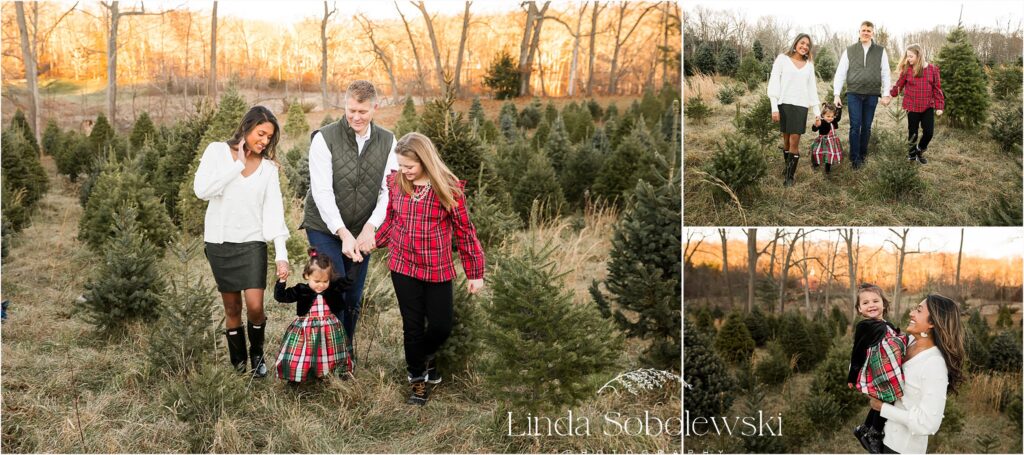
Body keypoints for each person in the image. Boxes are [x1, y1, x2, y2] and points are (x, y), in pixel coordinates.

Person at [374, 132, 485, 406]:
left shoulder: (447, 188)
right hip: (402, 264)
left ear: (424, 160)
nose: (405, 171)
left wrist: (475, 272)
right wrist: (370, 243)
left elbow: (464, 231)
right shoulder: (397, 183)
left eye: (409, 167)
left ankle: (425, 359)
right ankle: (417, 380)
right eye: (401, 166)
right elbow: (390, 221)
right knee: (412, 327)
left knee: (440, 326)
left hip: (437, 267)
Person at [301, 80, 398, 370]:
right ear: (344, 105)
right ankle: (328, 356)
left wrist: (370, 229)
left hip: (363, 228)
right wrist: (342, 233)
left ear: (375, 108)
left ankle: (346, 351)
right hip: (325, 226)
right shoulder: (324, 139)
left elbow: (388, 190)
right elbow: (322, 192)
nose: (356, 117)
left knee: (353, 294)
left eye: (363, 111)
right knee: (334, 287)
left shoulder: (388, 141)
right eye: (351, 110)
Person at [194, 105, 290, 378]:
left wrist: (281, 253)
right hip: (220, 242)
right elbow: (202, 191)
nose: (264, 141)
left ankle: (257, 354)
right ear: (247, 127)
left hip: (252, 243)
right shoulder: (216, 151)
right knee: (232, 307)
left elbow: (274, 212)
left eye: (269, 137)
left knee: (256, 306)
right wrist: (236, 165)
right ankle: (239, 363)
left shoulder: (269, 169)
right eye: (261, 133)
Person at [870, 294, 965, 454]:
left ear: (933, 322)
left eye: (919, 311)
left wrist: (882, 408)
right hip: (884, 437)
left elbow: (928, 423)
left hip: (902, 449)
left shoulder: (933, 363)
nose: (911, 313)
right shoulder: (911, 342)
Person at [272, 248, 352, 383]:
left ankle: (329, 374)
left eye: (325, 281)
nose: (321, 285)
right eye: (317, 281)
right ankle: (297, 377)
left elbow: (349, 281)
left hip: (329, 329)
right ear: (306, 276)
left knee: (329, 351)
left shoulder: (332, 288)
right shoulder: (301, 290)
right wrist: (281, 282)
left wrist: (356, 263)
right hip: (306, 330)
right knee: (303, 353)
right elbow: (281, 297)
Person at [848, 284, 907, 454]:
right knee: (887, 399)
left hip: (888, 369)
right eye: (865, 303)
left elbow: (894, 333)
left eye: (875, 300)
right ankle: (874, 433)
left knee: (885, 399)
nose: (871, 305)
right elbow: (857, 351)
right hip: (876, 369)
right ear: (859, 309)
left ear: (884, 304)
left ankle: (865, 428)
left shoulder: (886, 324)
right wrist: (852, 376)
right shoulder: (864, 326)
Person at [833, 21, 893, 169]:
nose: (866, 33)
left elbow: (885, 72)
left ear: (872, 33)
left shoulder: (880, 51)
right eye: (863, 30)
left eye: (869, 31)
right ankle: (855, 158)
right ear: (859, 32)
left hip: (872, 94)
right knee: (855, 126)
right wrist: (836, 94)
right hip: (854, 93)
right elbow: (840, 73)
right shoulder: (850, 50)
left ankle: (863, 154)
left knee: (866, 127)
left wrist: (886, 94)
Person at [768, 33, 822, 187]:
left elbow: (812, 89)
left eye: (808, 45)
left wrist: (817, 113)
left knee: (794, 140)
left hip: (801, 106)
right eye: (802, 43)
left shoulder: (809, 65)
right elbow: (774, 83)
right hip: (784, 104)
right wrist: (774, 107)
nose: (805, 47)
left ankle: (790, 178)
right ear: (796, 42)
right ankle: (787, 167)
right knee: (785, 140)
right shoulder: (782, 59)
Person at [889, 44, 945, 164]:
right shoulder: (907, 70)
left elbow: (937, 89)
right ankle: (912, 155)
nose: (908, 59)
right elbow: (899, 85)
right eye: (907, 56)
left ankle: (920, 150)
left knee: (929, 132)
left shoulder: (932, 70)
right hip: (912, 106)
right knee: (913, 132)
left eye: (911, 56)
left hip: (927, 107)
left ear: (919, 55)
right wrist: (890, 95)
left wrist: (939, 106)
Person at [810, 102, 844, 174]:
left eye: (832, 116)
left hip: (832, 141)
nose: (830, 118)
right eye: (828, 116)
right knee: (817, 152)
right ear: (823, 115)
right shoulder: (821, 122)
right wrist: (815, 124)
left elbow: (838, 118)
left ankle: (827, 168)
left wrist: (839, 109)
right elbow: (814, 129)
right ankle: (816, 163)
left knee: (830, 154)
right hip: (823, 141)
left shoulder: (834, 120)